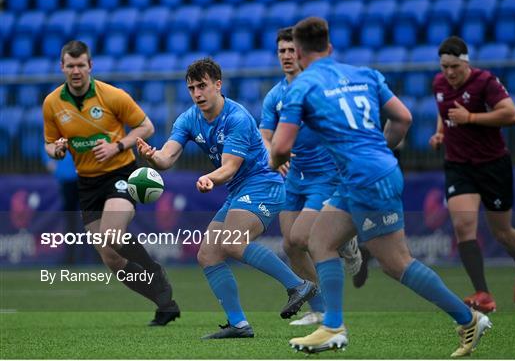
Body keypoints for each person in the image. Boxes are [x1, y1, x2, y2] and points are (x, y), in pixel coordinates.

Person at [271, 17, 491, 357]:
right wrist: (379, 154)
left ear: (298, 53)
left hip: (366, 180)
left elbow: (282, 148)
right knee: (320, 240)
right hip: (367, 173)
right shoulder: (364, 74)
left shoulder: (302, 86)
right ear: (329, 48)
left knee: (396, 263)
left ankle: (468, 319)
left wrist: (274, 163)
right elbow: (403, 118)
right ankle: (332, 325)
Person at [136, 58, 316, 339]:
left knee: (232, 241)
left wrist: (210, 178)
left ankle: (297, 285)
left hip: (263, 184)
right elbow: (167, 157)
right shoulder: (188, 118)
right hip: (238, 190)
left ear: (218, 85)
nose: (197, 93)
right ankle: (239, 324)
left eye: (202, 86)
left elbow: (230, 167)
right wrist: (153, 156)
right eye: (192, 88)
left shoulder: (237, 117)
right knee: (208, 254)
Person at [42, 40, 180, 326]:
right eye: (71, 65)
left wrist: (117, 146)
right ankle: (164, 303)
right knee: (111, 259)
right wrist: (56, 151)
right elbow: (49, 143)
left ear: (90, 66)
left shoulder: (112, 95)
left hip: (120, 173)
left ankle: (154, 271)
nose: (76, 71)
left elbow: (147, 127)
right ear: (62, 67)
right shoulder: (52, 103)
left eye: (81, 65)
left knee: (112, 236)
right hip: (87, 183)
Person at [259, 27, 367, 326]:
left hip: (326, 175)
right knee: (290, 246)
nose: (286, 56)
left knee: (301, 236)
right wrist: (274, 155)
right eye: (281, 51)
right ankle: (318, 310)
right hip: (294, 178)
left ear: (302, 53)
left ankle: (345, 243)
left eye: (291, 50)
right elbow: (264, 135)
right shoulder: (275, 95)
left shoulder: (318, 88)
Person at [429, 36, 515, 313]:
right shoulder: (439, 84)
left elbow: (511, 115)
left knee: (503, 233)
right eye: (444, 67)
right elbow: (444, 111)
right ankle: (484, 293)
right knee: (463, 226)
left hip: (492, 164)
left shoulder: (485, 82)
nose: (449, 73)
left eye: (454, 66)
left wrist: (471, 118)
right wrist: (441, 131)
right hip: (458, 165)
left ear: (466, 63)